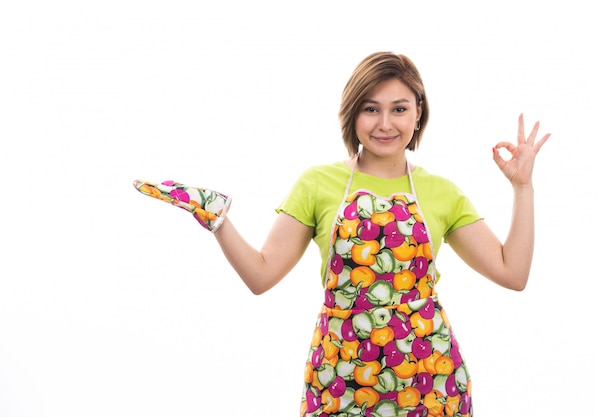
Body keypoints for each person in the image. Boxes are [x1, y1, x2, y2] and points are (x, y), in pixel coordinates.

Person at [133, 51, 550, 417]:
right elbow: (261, 276)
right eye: (371, 109)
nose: (385, 123)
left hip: (431, 380)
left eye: (399, 109)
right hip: (340, 374)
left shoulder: (442, 192)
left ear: (418, 112)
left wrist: (523, 188)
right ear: (352, 113)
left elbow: (512, 273)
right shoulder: (317, 184)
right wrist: (218, 220)